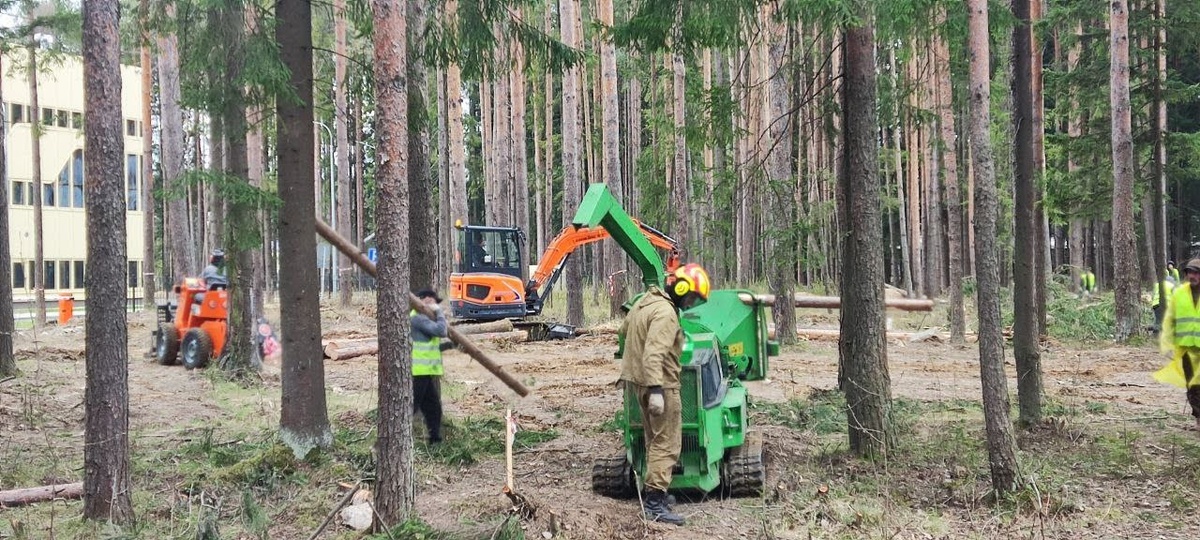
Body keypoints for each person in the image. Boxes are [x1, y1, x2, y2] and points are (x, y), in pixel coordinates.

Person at [618, 263, 711, 526]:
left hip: (638, 383)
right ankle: (655, 505)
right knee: (667, 444)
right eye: (691, 298)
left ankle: (655, 493)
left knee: (653, 440)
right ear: (681, 288)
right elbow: (653, 354)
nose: (690, 304)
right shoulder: (666, 313)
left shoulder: (644, 303)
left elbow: (624, 331)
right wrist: (657, 390)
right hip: (661, 386)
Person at [1155, 259, 1200, 431]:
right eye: (1190, 272)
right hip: (1187, 349)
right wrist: (1166, 342)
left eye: (1196, 273)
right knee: (1192, 386)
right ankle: (1198, 417)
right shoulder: (1179, 294)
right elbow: (1170, 319)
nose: (1192, 276)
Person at [412, 289, 450, 444]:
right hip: (417, 371)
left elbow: (430, 345)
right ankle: (396, 439)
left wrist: (450, 345)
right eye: (434, 303)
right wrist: (439, 313)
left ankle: (435, 440)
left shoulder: (424, 319)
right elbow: (441, 331)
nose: (436, 306)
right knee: (411, 406)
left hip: (424, 371)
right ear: (425, 300)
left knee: (433, 407)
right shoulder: (418, 318)